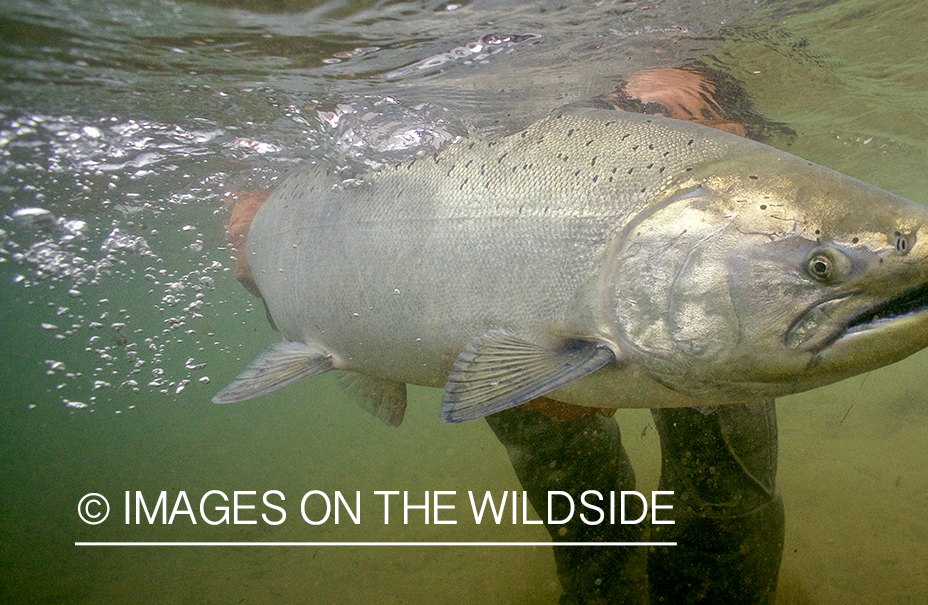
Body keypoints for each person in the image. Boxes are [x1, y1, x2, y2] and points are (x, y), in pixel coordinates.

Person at [226, 66, 788, 604]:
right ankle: (603, 591)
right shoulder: (461, 89)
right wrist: (260, 226)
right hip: (496, 265)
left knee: (724, 467)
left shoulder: (682, 96)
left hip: (695, 270)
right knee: (572, 478)